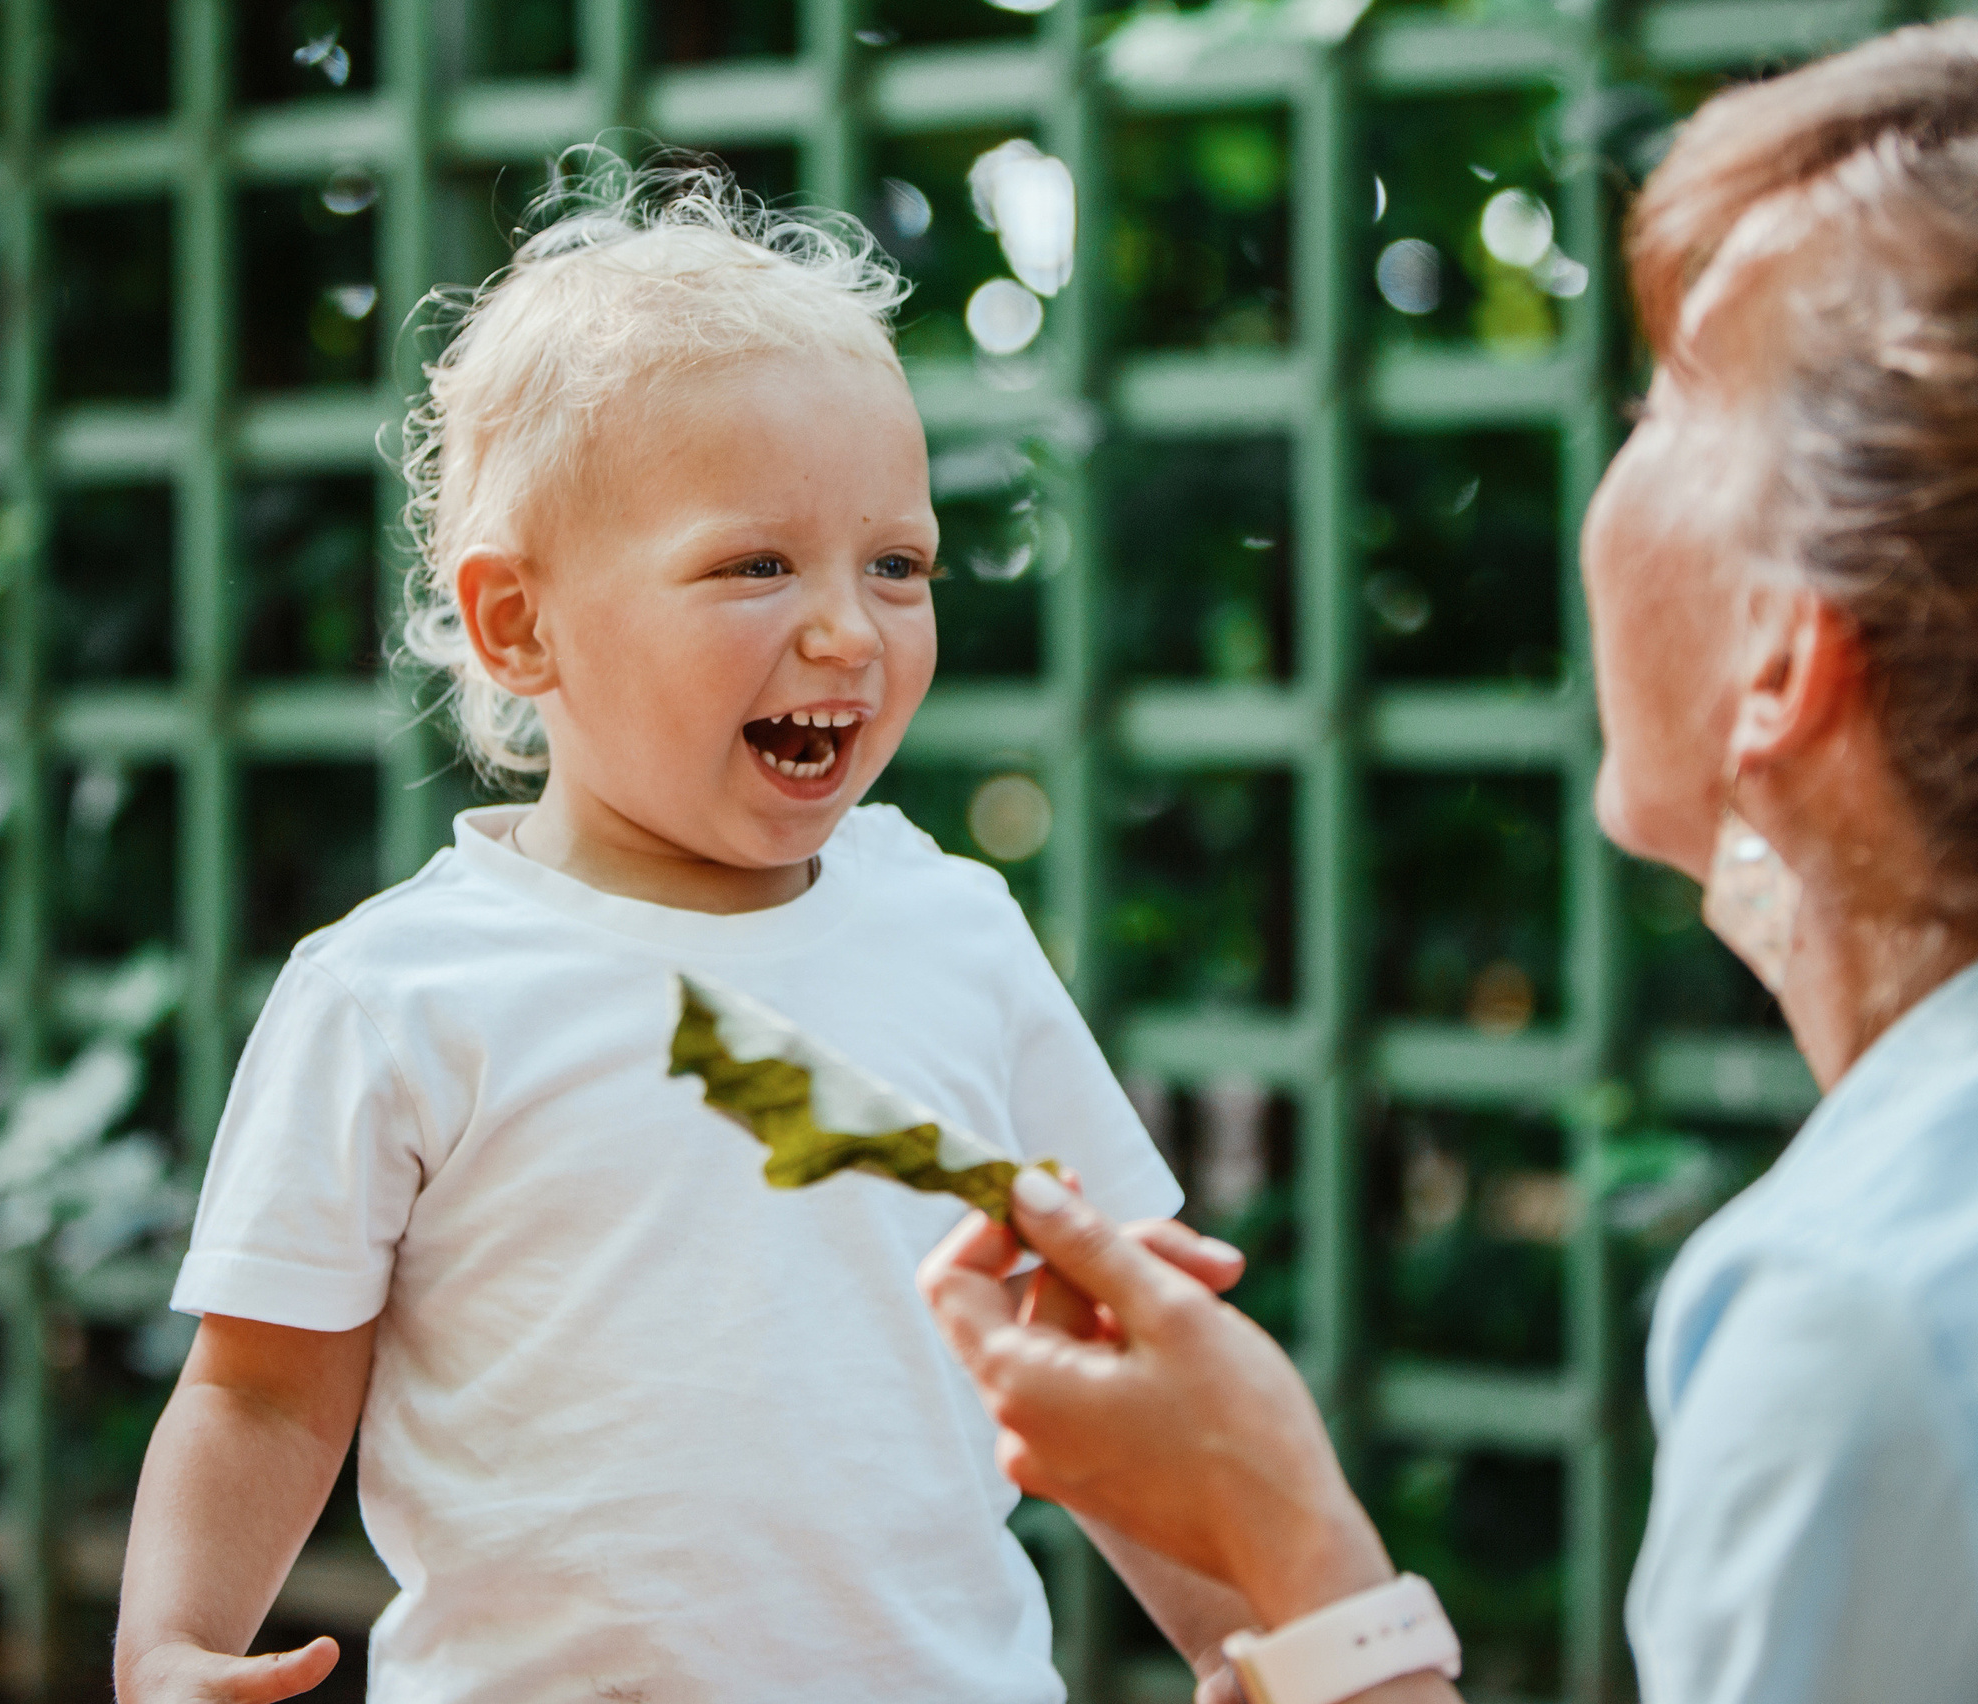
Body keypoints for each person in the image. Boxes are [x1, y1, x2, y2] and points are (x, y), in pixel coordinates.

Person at [923, 23, 1978, 1704]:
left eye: (1667, 401)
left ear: (1786, 653)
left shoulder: (1898, 1329)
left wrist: (1281, 1552)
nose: (1615, 453)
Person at [113, 158, 1262, 1703]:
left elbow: (1104, 1349)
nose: (848, 628)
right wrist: (169, 1646)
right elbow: (261, 1392)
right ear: (520, 623)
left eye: (897, 565)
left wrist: (1258, 1647)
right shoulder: (399, 997)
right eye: (756, 564)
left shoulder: (955, 933)